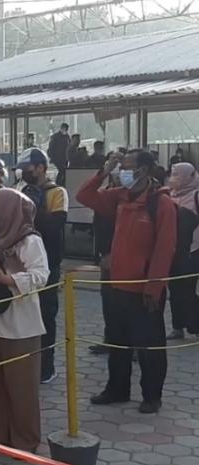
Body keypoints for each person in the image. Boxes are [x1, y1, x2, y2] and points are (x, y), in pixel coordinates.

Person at [77, 150, 176, 414]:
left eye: (128, 166)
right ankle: (117, 389)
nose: (124, 170)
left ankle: (152, 396)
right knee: (117, 343)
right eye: (122, 165)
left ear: (144, 170)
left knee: (149, 346)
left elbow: (164, 250)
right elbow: (84, 196)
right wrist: (104, 170)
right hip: (116, 286)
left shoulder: (160, 203)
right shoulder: (120, 196)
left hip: (144, 290)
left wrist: (154, 288)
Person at [0, 188, 49, 452]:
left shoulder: (29, 241)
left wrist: (6, 279)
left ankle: (24, 442)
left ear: (8, 209)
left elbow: (41, 275)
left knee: (21, 386)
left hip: (19, 324)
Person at [17, 148, 68, 384]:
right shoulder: (19, 190)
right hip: (22, 261)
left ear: (40, 168)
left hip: (48, 262)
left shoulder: (57, 193)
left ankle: (46, 367)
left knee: (46, 315)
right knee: (24, 314)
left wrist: (35, 207)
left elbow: (55, 226)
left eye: (28, 167)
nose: (24, 171)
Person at [89, 156, 120, 356]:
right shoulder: (105, 195)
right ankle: (110, 340)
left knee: (125, 305)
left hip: (125, 258)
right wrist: (104, 172)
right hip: (105, 256)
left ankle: (130, 345)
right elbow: (84, 194)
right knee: (108, 301)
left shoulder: (136, 197)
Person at [166, 162, 199, 339]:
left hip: (193, 251)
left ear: (190, 176)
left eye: (178, 174)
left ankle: (195, 327)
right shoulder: (171, 195)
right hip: (173, 250)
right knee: (174, 289)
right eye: (173, 174)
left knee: (188, 290)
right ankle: (177, 327)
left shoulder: (196, 196)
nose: (174, 178)